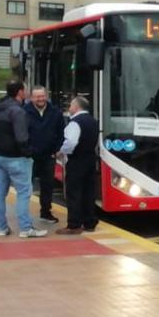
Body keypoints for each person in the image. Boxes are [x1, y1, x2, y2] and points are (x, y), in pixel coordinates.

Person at [0, 81, 46, 238]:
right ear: (20, 92)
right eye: (25, 90)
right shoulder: (17, 111)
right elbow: (22, 137)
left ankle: (1, 228)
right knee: (23, 193)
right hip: (17, 158)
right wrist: (29, 152)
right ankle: (26, 228)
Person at [55, 96, 100, 235]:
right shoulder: (93, 121)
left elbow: (71, 142)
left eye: (71, 106)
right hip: (90, 159)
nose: (69, 108)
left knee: (74, 192)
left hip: (77, 160)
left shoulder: (75, 123)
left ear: (77, 107)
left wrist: (61, 151)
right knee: (89, 191)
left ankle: (74, 224)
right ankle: (89, 222)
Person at [25, 86, 63, 224]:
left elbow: (61, 132)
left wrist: (57, 149)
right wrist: (27, 150)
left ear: (46, 96)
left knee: (47, 186)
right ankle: (24, 215)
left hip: (49, 156)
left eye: (42, 96)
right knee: (26, 186)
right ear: (31, 98)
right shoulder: (24, 112)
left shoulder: (55, 112)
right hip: (30, 157)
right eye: (37, 96)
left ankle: (46, 212)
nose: (40, 99)